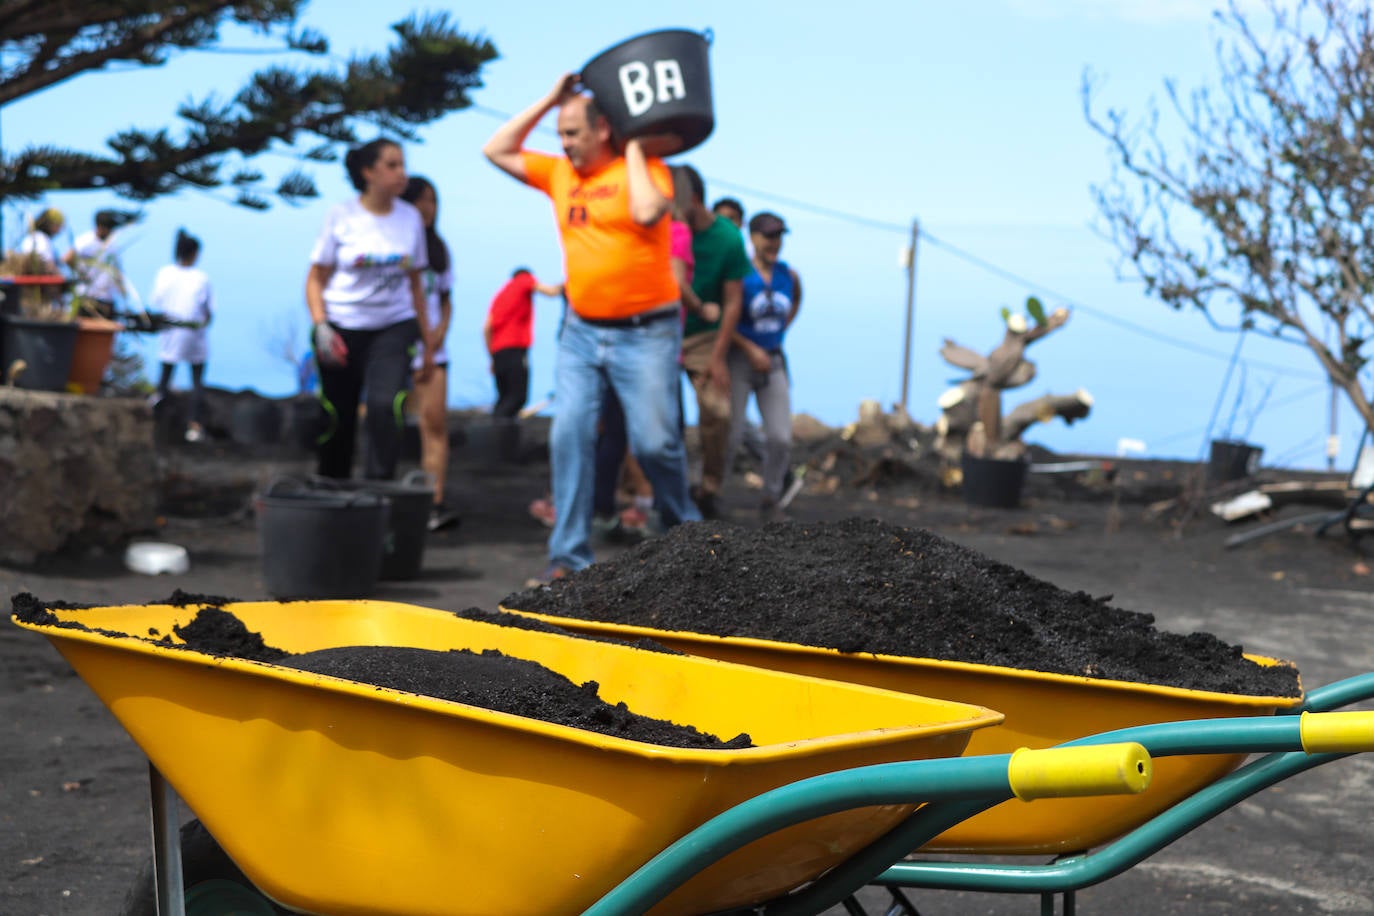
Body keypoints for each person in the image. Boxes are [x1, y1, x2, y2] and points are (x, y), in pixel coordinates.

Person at [483, 73, 701, 579]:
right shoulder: (559, 175)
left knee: (653, 444)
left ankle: (686, 531)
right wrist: (551, 100)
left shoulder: (646, 169)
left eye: (573, 132)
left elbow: (649, 211)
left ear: (603, 129)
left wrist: (637, 147)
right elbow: (496, 149)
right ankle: (569, 556)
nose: (564, 144)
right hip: (581, 331)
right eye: (560, 134)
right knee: (570, 433)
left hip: (647, 331)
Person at [306, 137, 434, 481]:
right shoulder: (341, 215)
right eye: (392, 165)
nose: (401, 173)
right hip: (342, 327)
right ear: (368, 172)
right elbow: (315, 279)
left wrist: (428, 344)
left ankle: (380, 492)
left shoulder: (409, 219)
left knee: (385, 406)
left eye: (403, 164)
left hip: (393, 326)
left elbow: (415, 284)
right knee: (337, 415)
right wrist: (322, 326)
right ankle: (331, 487)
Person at [677, 165, 752, 519]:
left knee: (718, 413)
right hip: (661, 331)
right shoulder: (664, 230)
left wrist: (719, 356)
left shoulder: (727, 238)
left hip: (705, 336)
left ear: (692, 199)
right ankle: (646, 494)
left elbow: (733, 301)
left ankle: (710, 487)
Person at [727, 211, 803, 518]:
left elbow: (795, 300)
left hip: (773, 362)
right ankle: (713, 496)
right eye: (768, 236)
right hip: (740, 362)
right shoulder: (740, 274)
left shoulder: (789, 275)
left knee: (780, 437)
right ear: (754, 237)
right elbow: (725, 317)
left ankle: (772, 497)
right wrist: (749, 347)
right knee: (730, 435)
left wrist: (778, 334)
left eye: (779, 236)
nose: (774, 242)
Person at [399, 175, 460, 531]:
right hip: (397, 348)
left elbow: (446, 300)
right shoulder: (394, 247)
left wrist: (438, 334)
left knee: (434, 424)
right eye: (419, 200)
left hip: (435, 351)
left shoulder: (440, 249)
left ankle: (433, 502)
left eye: (432, 201)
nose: (426, 208)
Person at [151, 229, 213, 443]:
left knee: (165, 377)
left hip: (169, 330)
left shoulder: (164, 273)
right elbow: (208, 311)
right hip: (193, 333)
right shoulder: (200, 278)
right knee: (196, 380)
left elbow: (157, 301)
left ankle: (155, 419)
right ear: (194, 253)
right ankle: (194, 425)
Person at [484, 267, 563, 424]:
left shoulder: (500, 295)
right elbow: (551, 291)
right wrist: (572, 284)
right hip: (515, 350)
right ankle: (497, 436)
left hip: (498, 353)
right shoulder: (523, 281)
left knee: (504, 398)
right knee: (517, 398)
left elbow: (487, 327)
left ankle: (498, 435)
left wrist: (492, 357)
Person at [64, 210, 126, 318]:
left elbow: (116, 269)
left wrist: (122, 290)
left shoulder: (112, 244)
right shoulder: (85, 241)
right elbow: (67, 258)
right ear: (100, 226)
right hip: (86, 296)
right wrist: (82, 274)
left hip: (106, 298)